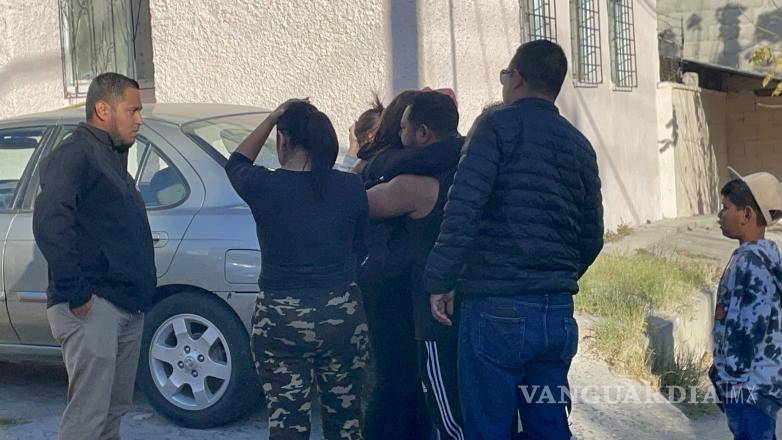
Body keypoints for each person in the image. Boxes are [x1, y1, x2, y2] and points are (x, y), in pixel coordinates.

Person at [425, 40, 604, 439]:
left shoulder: (496, 128)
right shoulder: (580, 145)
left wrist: (441, 279)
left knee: (489, 425)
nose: (504, 83)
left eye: (505, 75)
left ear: (518, 79)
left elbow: (463, 209)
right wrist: (556, 275)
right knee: (549, 425)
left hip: (496, 307)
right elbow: (592, 235)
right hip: (556, 311)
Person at [224, 100, 370, 439]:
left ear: (283, 139)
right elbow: (360, 247)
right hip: (341, 313)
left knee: (287, 421)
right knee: (346, 417)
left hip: (280, 316)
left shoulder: (263, 185)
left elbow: (236, 162)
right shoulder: (350, 187)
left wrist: (271, 117)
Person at [33, 72, 155, 440]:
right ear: (103, 109)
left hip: (126, 303)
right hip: (93, 306)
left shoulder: (111, 156)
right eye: (132, 110)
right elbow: (51, 224)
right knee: (88, 418)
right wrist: (78, 293)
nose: (139, 119)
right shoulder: (74, 154)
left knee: (112, 412)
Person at [366, 91, 464, 439]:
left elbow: (351, 205)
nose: (401, 134)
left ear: (422, 133)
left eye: (404, 127)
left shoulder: (412, 181)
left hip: (417, 302)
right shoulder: (468, 164)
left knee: (413, 393)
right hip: (448, 298)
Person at [357, 89, 432, 439]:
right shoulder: (397, 170)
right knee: (398, 381)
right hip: (395, 287)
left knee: (400, 381)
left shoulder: (374, 165)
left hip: (384, 283)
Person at [710, 168, 782, 440]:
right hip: (755, 384)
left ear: (747, 215)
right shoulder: (756, 258)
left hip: (749, 388)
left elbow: (749, 325)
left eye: (726, 207)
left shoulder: (751, 263)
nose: (720, 215)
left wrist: (729, 376)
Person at [337, 95, 383, 173]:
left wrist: (352, 150)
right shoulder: (388, 158)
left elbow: (342, 179)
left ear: (370, 135)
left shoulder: (366, 164)